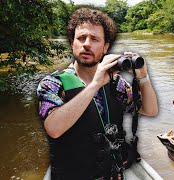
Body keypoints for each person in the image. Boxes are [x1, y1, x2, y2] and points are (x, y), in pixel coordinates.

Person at [36, 8, 158, 179]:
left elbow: (150, 110)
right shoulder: (53, 84)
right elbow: (54, 129)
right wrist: (95, 84)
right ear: (72, 43)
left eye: (94, 39)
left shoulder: (117, 85)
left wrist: (143, 77)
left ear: (105, 47)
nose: (87, 44)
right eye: (81, 38)